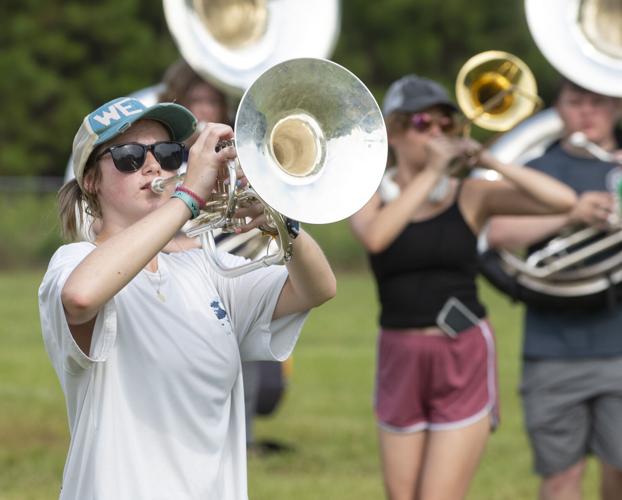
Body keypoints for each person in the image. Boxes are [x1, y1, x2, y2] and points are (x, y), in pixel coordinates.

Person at [38, 96, 336, 499]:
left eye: (166, 153)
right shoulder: (74, 261)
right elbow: (80, 296)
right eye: (128, 156)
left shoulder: (207, 268)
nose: (153, 166)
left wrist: (284, 223)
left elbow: (316, 289)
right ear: (91, 180)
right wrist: (189, 198)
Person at [349, 74, 577, 500]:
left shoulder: (470, 195)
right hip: (400, 353)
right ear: (393, 133)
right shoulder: (368, 194)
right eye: (422, 123)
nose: (436, 133)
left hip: (461, 351)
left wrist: (492, 164)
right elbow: (377, 237)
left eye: (444, 124)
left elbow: (561, 201)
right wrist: (432, 170)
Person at [487, 78, 622, 500]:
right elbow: (497, 232)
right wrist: (572, 213)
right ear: (557, 109)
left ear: (616, 106)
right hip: (552, 349)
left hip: (619, 344)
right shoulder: (537, 169)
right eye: (575, 101)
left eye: (597, 101)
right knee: (561, 476)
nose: (587, 111)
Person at [158, 59, 292, 451]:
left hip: (236, 272)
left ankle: (241, 438)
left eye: (211, 101)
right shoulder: (164, 162)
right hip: (180, 275)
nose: (203, 109)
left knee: (245, 362)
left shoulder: (242, 158)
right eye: (195, 100)